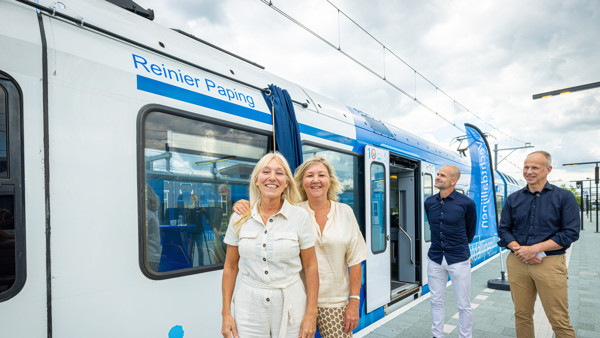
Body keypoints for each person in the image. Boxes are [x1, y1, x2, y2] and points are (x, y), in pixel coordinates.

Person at [234, 156, 368, 337]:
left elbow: (355, 260)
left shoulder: (345, 212)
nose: (315, 180)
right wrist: (244, 205)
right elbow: (265, 209)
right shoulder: (292, 212)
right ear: (301, 183)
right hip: (296, 302)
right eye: (309, 175)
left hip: (334, 302)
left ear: (330, 181)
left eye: (321, 175)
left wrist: (354, 301)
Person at [221, 152, 319, 338]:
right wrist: (226, 313)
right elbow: (230, 267)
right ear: (257, 180)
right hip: (248, 307)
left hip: (292, 305)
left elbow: (310, 266)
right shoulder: (239, 217)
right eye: (266, 171)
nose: (272, 177)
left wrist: (311, 314)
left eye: (279, 173)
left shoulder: (300, 217)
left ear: (287, 182)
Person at [498, 151, 579, 338]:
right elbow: (504, 230)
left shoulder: (564, 197)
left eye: (534, 167)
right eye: (526, 167)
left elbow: (570, 233)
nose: (529, 171)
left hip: (549, 264)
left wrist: (534, 250)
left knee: (558, 319)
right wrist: (521, 251)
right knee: (522, 315)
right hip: (517, 262)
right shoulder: (513, 199)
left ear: (548, 169)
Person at [424, 165, 476, 338]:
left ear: (453, 181)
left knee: (463, 304)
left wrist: (458, 246)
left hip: (459, 259)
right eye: (438, 174)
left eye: (442, 175)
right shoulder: (429, 202)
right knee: (435, 301)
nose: (437, 177)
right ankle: (437, 335)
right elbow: (433, 226)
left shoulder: (467, 203)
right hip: (435, 258)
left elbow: (470, 231)